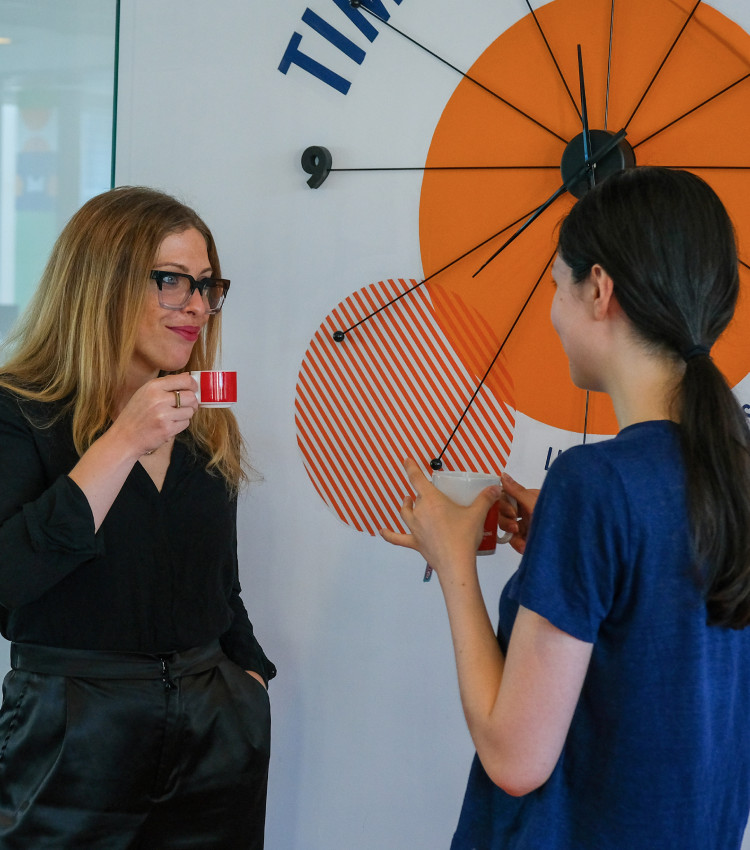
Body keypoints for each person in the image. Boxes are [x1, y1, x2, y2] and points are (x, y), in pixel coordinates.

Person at [382, 166, 750, 849]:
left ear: (600, 289)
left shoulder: (597, 484)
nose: (553, 309)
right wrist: (568, 541)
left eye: (558, 283)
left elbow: (515, 760)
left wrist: (453, 560)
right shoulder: (732, 472)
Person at [0, 186, 275, 848]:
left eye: (207, 286)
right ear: (102, 280)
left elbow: (221, 585)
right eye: (172, 281)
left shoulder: (208, 427)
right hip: (72, 735)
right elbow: (8, 583)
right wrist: (122, 441)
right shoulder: (20, 411)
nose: (198, 307)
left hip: (216, 729)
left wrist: (250, 679)